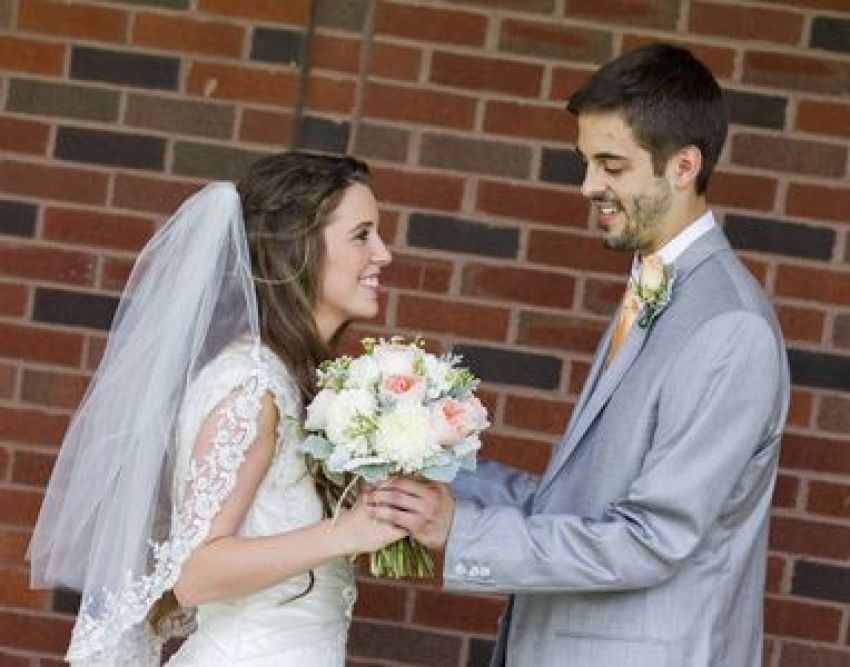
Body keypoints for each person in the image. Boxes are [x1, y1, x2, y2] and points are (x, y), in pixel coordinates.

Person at [369, 43, 790, 666]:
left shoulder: (729, 327)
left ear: (683, 166)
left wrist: (463, 530)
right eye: (586, 162)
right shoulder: (656, 288)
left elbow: (653, 539)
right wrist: (428, 464)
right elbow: (579, 505)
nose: (590, 185)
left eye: (612, 165)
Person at [28, 152, 403, 666]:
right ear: (300, 249)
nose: (383, 254)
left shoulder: (297, 381)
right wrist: (345, 532)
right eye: (363, 235)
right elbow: (195, 572)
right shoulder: (253, 387)